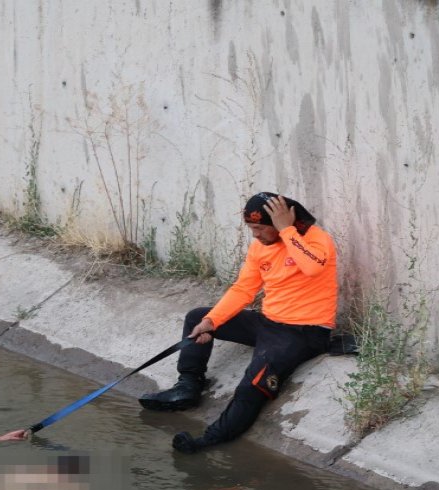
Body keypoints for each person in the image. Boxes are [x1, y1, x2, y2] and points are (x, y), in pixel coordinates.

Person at [139, 192, 337, 452]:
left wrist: (287, 231)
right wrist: (212, 321)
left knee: (252, 384)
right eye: (251, 229)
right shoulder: (259, 247)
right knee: (198, 317)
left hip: (303, 332)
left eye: (259, 228)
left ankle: (210, 438)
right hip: (268, 322)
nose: (255, 235)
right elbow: (243, 289)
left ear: (279, 223)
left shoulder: (315, 239)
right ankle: (187, 386)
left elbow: (312, 268)